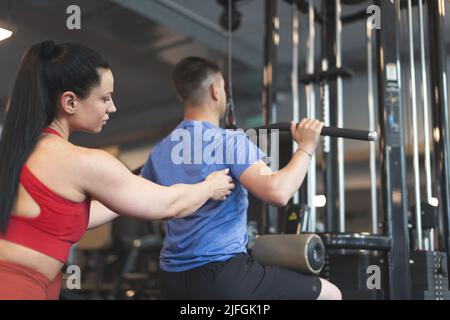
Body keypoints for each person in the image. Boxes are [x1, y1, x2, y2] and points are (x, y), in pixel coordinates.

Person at [0, 43, 234, 300]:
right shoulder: (80, 161)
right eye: (104, 98)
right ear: (69, 101)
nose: (112, 107)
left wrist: (139, 180)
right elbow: (170, 206)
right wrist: (210, 186)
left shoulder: (23, 153)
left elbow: (66, 219)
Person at [141, 56, 342, 300]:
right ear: (216, 90)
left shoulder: (160, 151)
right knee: (330, 294)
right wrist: (307, 147)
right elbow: (278, 192)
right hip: (222, 275)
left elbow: (142, 204)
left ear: (181, 95)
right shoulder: (230, 141)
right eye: (223, 88)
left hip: (172, 279)